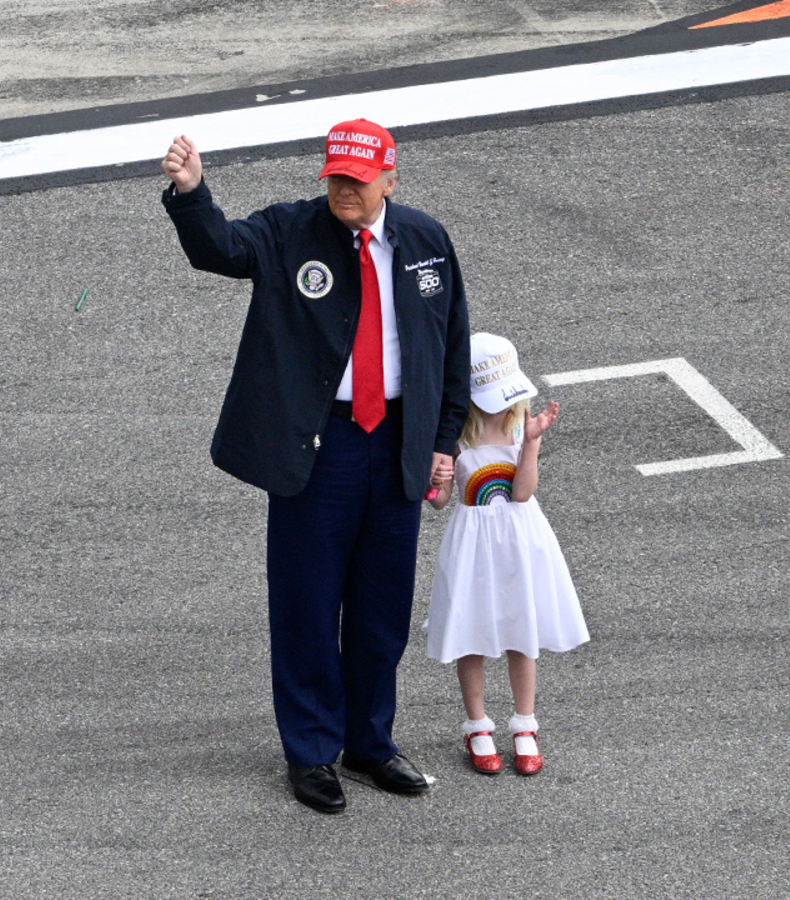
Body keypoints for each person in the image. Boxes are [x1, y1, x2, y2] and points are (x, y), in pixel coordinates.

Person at [160, 120, 470, 813]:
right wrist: (191, 194)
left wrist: (442, 442)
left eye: (356, 182)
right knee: (306, 607)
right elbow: (221, 249)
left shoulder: (426, 242)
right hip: (319, 447)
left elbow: (452, 345)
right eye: (334, 177)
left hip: (395, 443)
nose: (343, 191)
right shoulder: (289, 231)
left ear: (391, 179)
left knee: (381, 610)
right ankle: (310, 752)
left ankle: (368, 742)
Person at [423, 333, 589, 776]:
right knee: (471, 633)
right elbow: (440, 502)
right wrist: (434, 478)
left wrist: (532, 442)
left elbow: (522, 493)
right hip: (472, 544)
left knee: (522, 629)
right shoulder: (455, 436)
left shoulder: (520, 429)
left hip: (520, 540)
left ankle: (524, 725)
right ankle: (477, 725)